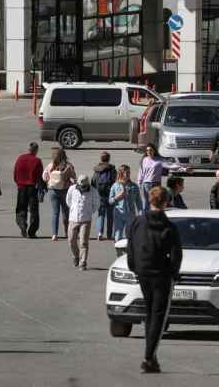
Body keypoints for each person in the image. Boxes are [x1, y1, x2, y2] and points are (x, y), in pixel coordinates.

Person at [126, 186, 182, 374]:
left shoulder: (138, 222)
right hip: (161, 274)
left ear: (150, 200)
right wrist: (174, 272)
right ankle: (149, 357)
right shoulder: (169, 227)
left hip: (142, 271)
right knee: (158, 314)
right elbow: (176, 254)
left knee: (150, 312)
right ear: (166, 202)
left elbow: (131, 245)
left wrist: (133, 266)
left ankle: (152, 357)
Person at [66, 175, 99, 271]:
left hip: (86, 219)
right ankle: (76, 256)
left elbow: (96, 204)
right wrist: (72, 209)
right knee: (71, 240)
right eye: (81, 186)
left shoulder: (93, 191)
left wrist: (89, 211)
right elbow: (68, 200)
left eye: (85, 186)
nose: (83, 188)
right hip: (73, 218)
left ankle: (83, 262)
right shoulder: (72, 189)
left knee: (83, 242)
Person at [43, 148, 76, 241]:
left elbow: (44, 177)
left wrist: (50, 181)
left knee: (55, 213)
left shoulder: (50, 165)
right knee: (66, 212)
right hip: (65, 190)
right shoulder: (69, 166)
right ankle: (67, 232)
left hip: (53, 191)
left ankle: (54, 234)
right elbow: (74, 177)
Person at [13, 142, 44, 238]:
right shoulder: (37, 160)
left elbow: (15, 172)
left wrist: (18, 183)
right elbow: (40, 176)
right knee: (34, 210)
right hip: (32, 187)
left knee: (21, 207)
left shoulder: (20, 158)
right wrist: (41, 188)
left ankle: (22, 224)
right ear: (36, 150)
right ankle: (32, 231)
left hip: (21, 187)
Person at [110, 165, 143, 241]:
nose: (128, 174)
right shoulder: (115, 186)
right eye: (126, 172)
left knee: (130, 236)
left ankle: (129, 252)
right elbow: (110, 201)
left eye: (129, 172)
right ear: (121, 173)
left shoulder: (134, 186)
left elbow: (138, 201)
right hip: (118, 214)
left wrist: (140, 212)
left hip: (130, 214)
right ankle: (119, 252)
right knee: (118, 236)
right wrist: (117, 197)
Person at [92, 152, 116, 240]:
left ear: (101, 159)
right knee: (110, 215)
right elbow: (115, 180)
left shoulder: (97, 169)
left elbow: (93, 181)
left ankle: (99, 233)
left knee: (101, 214)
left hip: (100, 195)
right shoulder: (112, 169)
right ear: (108, 159)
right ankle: (109, 235)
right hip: (110, 194)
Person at [138, 143, 163, 213]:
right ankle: (144, 218)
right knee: (146, 203)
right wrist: (139, 183)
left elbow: (171, 165)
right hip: (146, 184)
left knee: (155, 202)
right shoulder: (144, 160)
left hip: (156, 184)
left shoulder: (159, 160)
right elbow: (141, 172)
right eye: (147, 150)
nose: (149, 152)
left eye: (150, 150)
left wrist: (184, 169)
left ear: (154, 150)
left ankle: (154, 218)